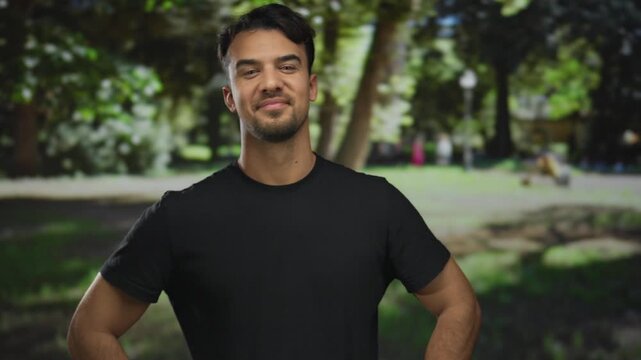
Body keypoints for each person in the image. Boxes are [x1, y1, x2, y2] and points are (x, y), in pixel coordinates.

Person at [67, 4, 481, 359]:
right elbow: (89, 331)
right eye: (249, 72)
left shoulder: (376, 204)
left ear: (311, 85)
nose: (270, 82)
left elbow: (458, 304)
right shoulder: (180, 217)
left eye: (288, 65)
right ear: (230, 97)